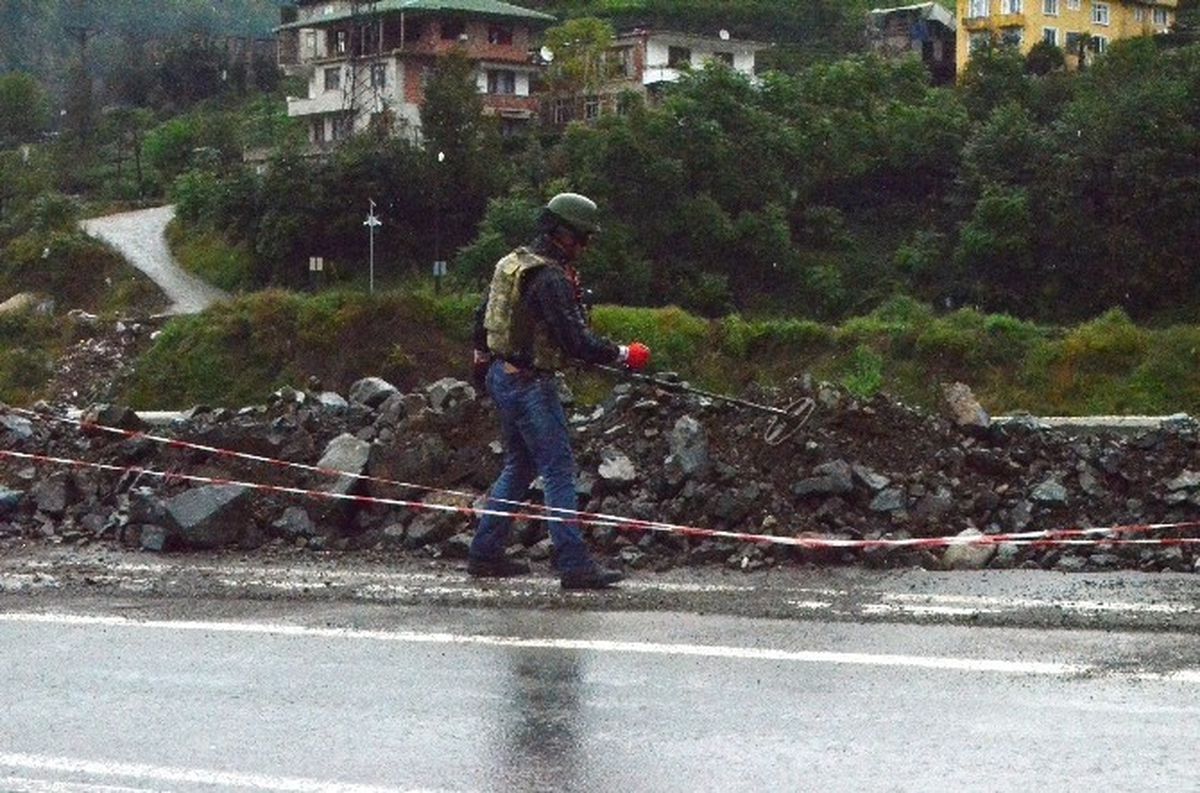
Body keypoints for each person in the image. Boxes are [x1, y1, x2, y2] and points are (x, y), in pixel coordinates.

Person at [468, 192, 650, 590]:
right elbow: (575, 342)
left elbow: (481, 320)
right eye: (582, 238)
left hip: (502, 375)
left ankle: (484, 553)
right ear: (561, 233)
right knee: (558, 471)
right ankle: (573, 563)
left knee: (519, 465)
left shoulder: (512, 263)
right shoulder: (550, 277)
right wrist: (624, 355)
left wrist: (482, 369)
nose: (585, 246)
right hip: (532, 383)